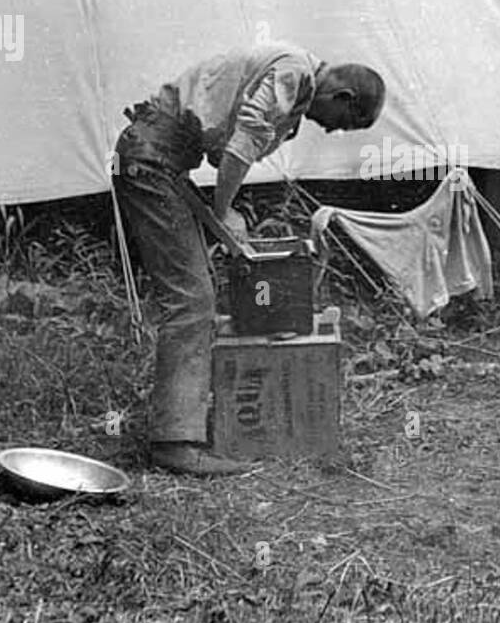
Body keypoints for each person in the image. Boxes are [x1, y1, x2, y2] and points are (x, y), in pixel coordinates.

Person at [113, 42, 385, 475]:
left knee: (197, 288)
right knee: (192, 300)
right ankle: (174, 445)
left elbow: (221, 143)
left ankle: (183, 424)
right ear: (343, 98)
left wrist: (227, 214)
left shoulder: (295, 87)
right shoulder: (293, 74)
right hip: (151, 159)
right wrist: (223, 212)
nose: (331, 132)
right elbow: (240, 148)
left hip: (159, 157)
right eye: (341, 125)